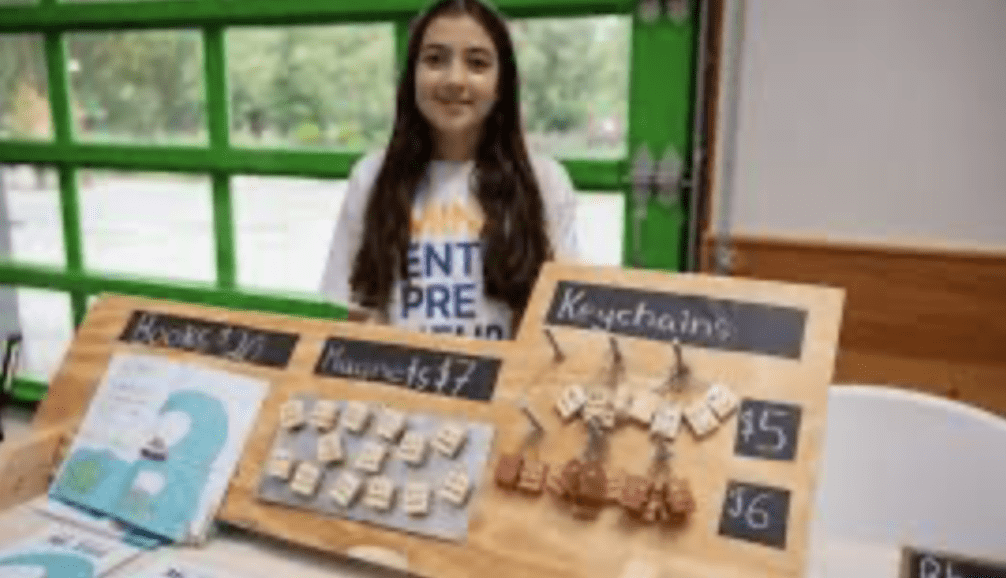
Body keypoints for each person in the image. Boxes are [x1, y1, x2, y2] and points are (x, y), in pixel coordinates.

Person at [320, 0, 581, 340]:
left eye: (477, 63)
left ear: (501, 82)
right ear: (412, 75)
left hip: (504, 390)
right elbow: (359, 316)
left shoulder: (546, 181)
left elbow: (558, 321)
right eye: (435, 59)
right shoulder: (370, 177)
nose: (455, 79)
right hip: (397, 388)